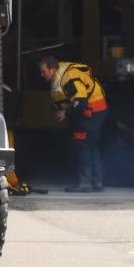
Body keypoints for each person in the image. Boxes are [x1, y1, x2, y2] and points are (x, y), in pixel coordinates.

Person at [39, 56, 108, 193]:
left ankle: (85, 184)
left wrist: (66, 114)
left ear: (52, 70)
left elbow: (80, 103)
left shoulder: (69, 78)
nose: (41, 75)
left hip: (92, 111)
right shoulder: (60, 77)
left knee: (83, 144)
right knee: (91, 145)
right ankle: (97, 183)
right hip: (96, 110)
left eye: (43, 71)